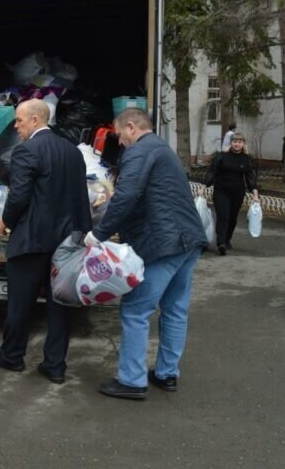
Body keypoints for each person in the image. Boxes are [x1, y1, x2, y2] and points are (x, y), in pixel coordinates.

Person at [85, 108, 206, 400]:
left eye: (118, 135)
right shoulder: (163, 149)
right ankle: (167, 374)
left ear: (130, 127)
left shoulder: (139, 151)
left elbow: (127, 195)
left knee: (135, 309)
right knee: (175, 308)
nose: (120, 142)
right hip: (188, 240)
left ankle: (132, 381)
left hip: (162, 244)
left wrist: (98, 234)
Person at [0, 99, 92, 385]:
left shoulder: (26, 151)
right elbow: (79, 196)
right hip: (66, 242)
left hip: (32, 240)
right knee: (60, 304)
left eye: (19, 121)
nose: (16, 127)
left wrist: (6, 221)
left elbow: (19, 195)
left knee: (20, 303)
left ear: (35, 120)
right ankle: (55, 365)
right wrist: (83, 235)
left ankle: (12, 356)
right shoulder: (73, 152)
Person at [205, 131, 259, 255]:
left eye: (239, 142)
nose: (236, 144)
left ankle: (227, 238)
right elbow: (212, 171)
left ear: (243, 144)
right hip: (221, 191)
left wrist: (255, 195)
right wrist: (204, 186)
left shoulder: (246, 159)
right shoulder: (222, 156)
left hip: (237, 193)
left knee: (232, 218)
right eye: (234, 141)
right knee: (223, 215)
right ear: (231, 143)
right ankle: (221, 243)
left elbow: (250, 177)